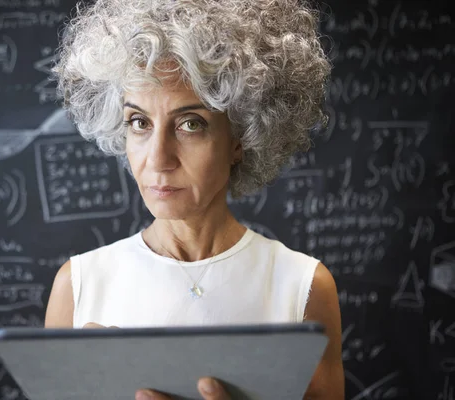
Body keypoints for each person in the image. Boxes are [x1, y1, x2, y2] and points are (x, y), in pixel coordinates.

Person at [45, 0, 344, 398]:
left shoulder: (303, 287)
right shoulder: (78, 287)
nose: (158, 159)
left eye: (190, 124)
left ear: (242, 136)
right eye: (139, 122)